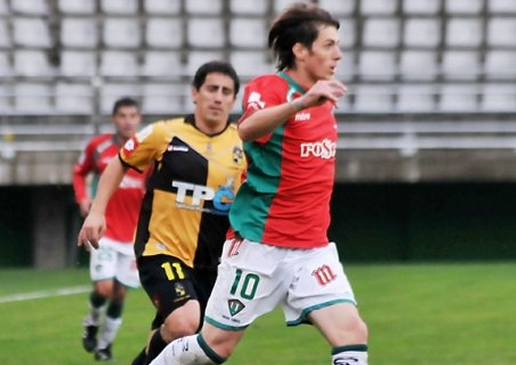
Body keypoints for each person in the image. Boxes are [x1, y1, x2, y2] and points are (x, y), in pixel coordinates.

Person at [149, 3, 369, 365]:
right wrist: (301, 103)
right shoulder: (272, 88)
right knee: (213, 348)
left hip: (312, 249)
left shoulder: (322, 99)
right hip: (260, 247)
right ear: (300, 49)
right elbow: (248, 128)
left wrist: (312, 100)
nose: (338, 54)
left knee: (352, 334)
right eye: (329, 44)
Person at [77, 61, 245, 365]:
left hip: (213, 263)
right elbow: (120, 161)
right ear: (195, 93)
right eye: (211, 89)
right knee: (184, 322)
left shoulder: (242, 145)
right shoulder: (165, 133)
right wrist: (96, 212)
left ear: (234, 100)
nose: (218, 97)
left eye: (226, 91)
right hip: (162, 250)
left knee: (191, 342)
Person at [72, 97, 146, 361]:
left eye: (133, 115)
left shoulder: (148, 150)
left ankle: (104, 345)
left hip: (134, 236)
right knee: (103, 287)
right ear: (114, 119)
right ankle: (91, 322)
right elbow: (79, 171)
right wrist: (83, 198)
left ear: (139, 119)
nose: (128, 121)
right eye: (123, 115)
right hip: (105, 230)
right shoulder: (98, 147)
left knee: (120, 292)